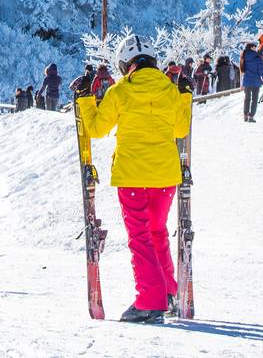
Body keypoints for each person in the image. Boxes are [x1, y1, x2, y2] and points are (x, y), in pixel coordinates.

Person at [75, 33, 191, 324]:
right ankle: (167, 292)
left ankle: (150, 300)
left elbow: (98, 129)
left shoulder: (121, 91)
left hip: (132, 176)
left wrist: (86, 100)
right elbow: (180, 129)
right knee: (157, 231)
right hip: (165, 176)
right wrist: (185, 96)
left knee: (140, 237)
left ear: (126, 64)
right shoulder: (169, 90)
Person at [239, 43, 263, 122]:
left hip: (247, 81)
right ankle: (251, 116)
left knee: (247, 98)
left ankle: (245, 115)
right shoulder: (257, 57)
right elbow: (262, 71)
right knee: (254, 99)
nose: (256, 48)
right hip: (256, 82)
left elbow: (242, 70)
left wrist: (241, 83)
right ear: (251, 48)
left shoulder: (243, 57)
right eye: (255, 47)